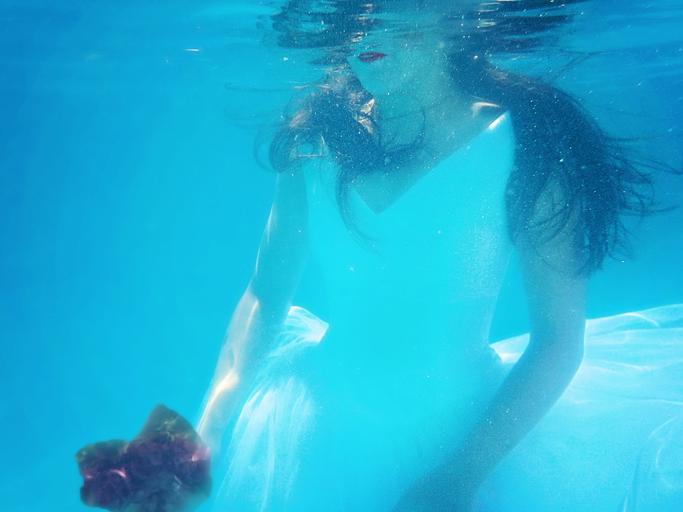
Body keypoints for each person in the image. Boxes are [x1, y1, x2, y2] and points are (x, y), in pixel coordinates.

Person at [85, 2, 682, 511]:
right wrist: (205, 433)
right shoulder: (314, 138)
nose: (366, 17)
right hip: (314, 431)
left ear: (456, 15)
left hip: (473, 430)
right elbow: (265, 296)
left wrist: (460, 477)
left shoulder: (527, 145)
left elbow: (557, 341)